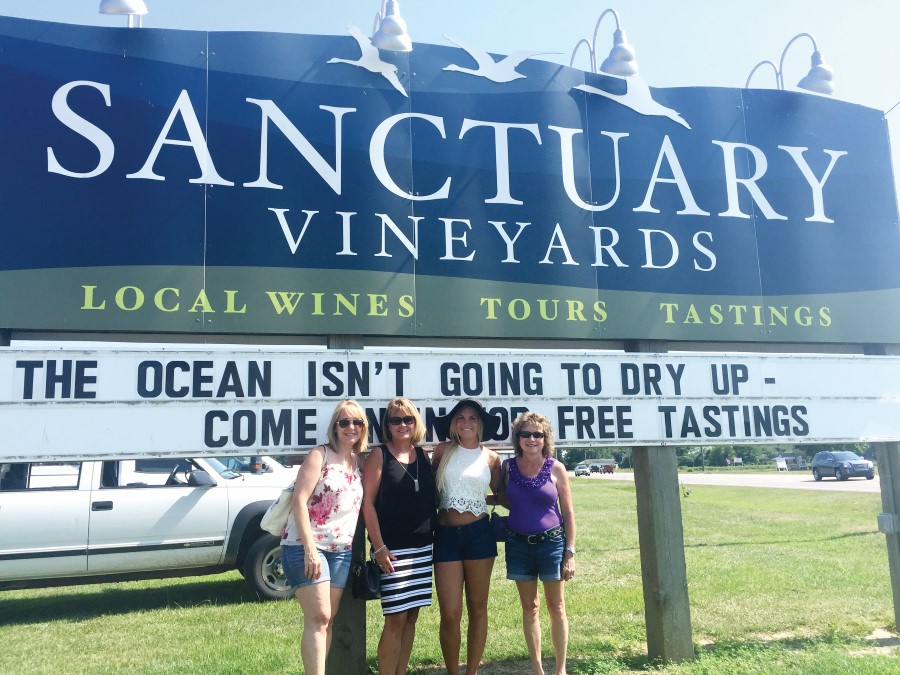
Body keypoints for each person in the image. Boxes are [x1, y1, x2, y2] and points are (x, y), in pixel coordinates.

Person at [280, 400, 367, 675]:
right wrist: (309, 550)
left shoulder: (358, 461)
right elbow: (299, 501)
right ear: (335, 427)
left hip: (340, 551)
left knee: (326, 621)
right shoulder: (320, 455)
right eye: (344, 422)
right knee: (319, 617)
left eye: (357, 422)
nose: (350, 427)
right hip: (306, 546)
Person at [362, 397, 436, 675]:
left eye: (408, 419)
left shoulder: (423, 455)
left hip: (422, 549)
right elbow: (367, 503)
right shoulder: (380, 455)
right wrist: (378, 546)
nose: (403, 424)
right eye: (396, 420)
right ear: (387, 425)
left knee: (412, 618)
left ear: (416, 423)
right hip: (393, 551)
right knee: (395, 619)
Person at [499, 411, 576, 675]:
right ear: (517, 438)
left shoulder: (556, 468)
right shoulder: (507, 467)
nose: (531, 439)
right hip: (518, 545)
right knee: (529, 607)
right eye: (525, 434)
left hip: (552, 544)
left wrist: (570, 552)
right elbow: (502, 498)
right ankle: (538, 669)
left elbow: (568, 512)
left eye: (537, 434)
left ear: (545, 438)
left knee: (557, 606)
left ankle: (560, 669)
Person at [432, 398, 503, 675]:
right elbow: (430, 491)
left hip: (479, 535)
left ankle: (471, 671)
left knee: (478, 608)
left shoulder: (491, 458)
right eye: (461, 418)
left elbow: (500, 494)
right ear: (453, 424)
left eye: (473, 418)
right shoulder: (442, 451)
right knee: (450, 613)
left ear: (481, 424)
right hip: (446, 535)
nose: (466, 423)